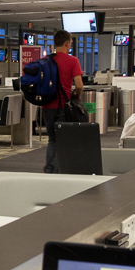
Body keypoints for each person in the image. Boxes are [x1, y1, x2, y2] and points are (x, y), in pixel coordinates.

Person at [42, 30, 83, 173]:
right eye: (70, 43)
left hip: (46, 106)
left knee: (52, 139)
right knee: (64, 139)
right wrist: (77, 96)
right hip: (62, 107)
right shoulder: (73, 61)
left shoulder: (46, 60)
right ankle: (62, 169)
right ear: (67, 43)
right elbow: (79, 85)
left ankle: (50, 169)